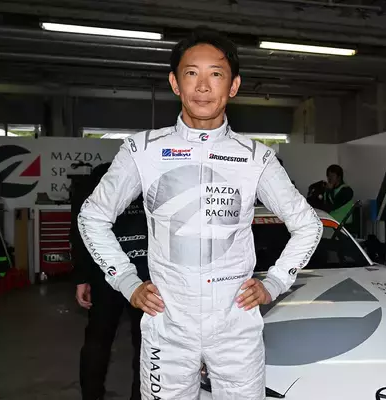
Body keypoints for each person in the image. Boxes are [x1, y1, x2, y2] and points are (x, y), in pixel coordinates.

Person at [77, 26, 323, 400]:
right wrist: (126, 280)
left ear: (233, 85)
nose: (203, 86)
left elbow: (308, 225)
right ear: (175, 83)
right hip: (168, 324)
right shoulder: (143, 150)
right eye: (192, 73)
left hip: (235, 326)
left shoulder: (256, 157)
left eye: (216, 74)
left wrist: (274, 282)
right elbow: (92, 217)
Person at [71, 163, 149, 400]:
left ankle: (92, 396)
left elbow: (80, 228)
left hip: (109, 271)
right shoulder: (148, 173)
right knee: (144, 341)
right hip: (144, 274)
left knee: (99, 338)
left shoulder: (97, 178)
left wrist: (82, 278)